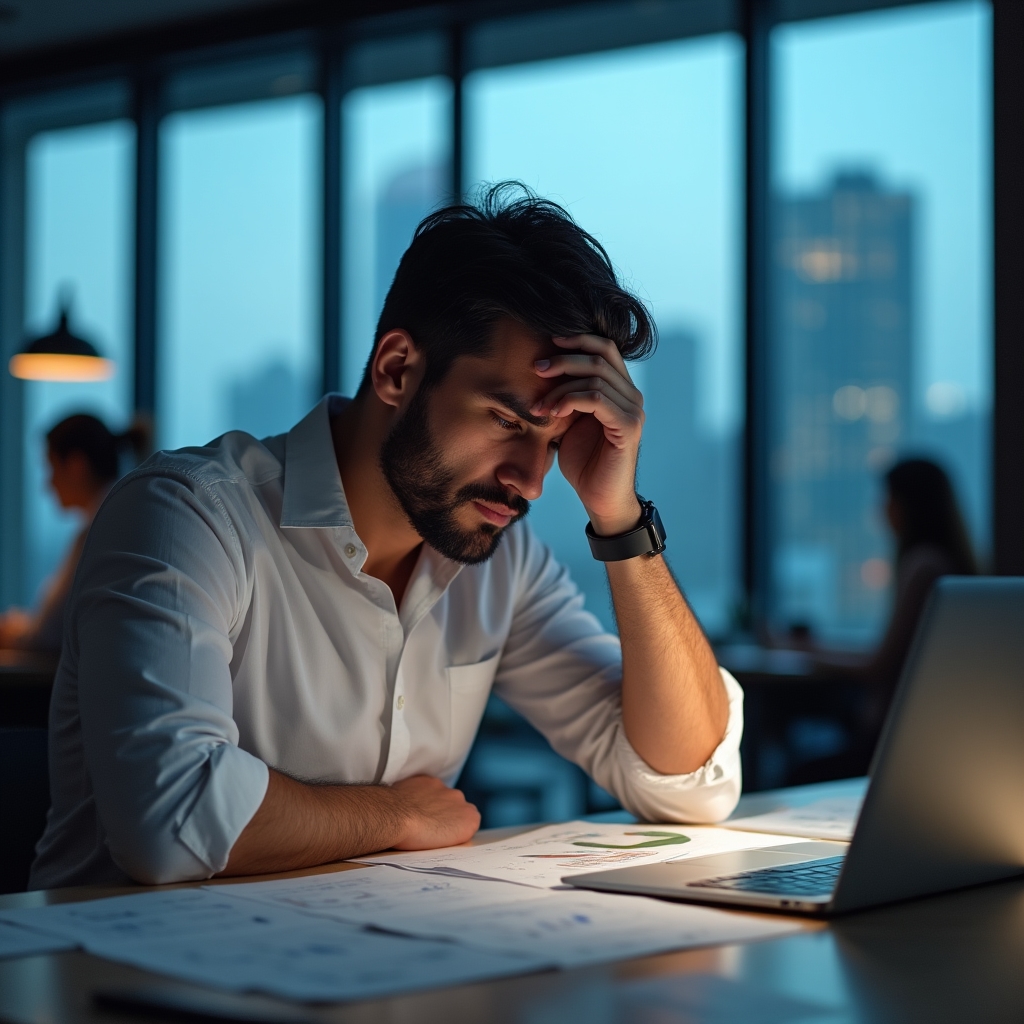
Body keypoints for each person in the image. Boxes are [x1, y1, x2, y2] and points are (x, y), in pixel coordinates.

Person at [31, 184, 744, 890]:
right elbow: (168, 819)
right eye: (509, 422)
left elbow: (688, 783)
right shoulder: (188, 516)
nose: (531, 480)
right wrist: (394, 814)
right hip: (108, 976)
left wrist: (620, 520)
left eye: (556, 440)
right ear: (397, 369)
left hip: (373, 968)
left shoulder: (503, 563)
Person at [803, 457, 977, 779]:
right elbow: (887, 652)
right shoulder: (944, 563)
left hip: (894, 738)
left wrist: (809, 653)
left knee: (798, 769)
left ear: (906, 505)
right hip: (927, 733)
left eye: (888, 499)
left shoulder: (923, 566)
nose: (881, 510)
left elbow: (880, 665)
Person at [0, 413, 150, 654]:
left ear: (76, 465)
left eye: (51, 468)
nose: (47, 485)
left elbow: (48, 633)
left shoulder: (98, 530)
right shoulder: (121, 517)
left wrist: (11, 633)